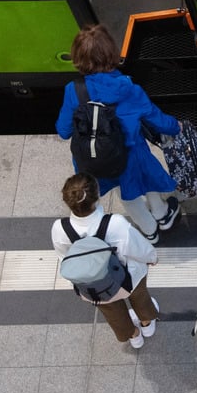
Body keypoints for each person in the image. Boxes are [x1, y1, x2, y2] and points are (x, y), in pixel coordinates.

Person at [56, 24, 181, 244]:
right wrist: (176, 127)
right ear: (112, 53)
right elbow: (155, 118)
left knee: (128, 197)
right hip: (131, 155)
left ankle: (149, 230)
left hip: (94, 158)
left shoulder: (73, 90)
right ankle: (162, 215)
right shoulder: (128, 88)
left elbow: (64, 131)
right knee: (143, 180)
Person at [51, 173, 160, 349]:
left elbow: (64, 258)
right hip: (128, 278)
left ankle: (134, 336)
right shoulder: (115, 223)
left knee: (112, 311)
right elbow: (137, 248)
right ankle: (146, 323)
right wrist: (152, 258)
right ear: (97, 197)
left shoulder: (59, 229)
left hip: (95, 287)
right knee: (140, 297)